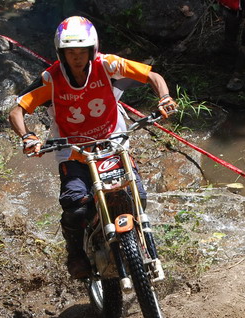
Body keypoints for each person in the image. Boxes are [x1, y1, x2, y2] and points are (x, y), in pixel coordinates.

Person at [9, 16, 178, 279]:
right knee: (76, 206)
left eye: (82, 52)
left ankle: (140, 242)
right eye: (70, 53)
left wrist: (164, 97)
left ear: (92, 50)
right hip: (73, 150)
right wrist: (28, 136)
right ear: (61, 53)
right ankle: (75, 252)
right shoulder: (51, 78)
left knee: (138, 195)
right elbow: (17, 111)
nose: (77, 58)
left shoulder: (108, 65)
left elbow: (151, 75)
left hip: (113, 141)